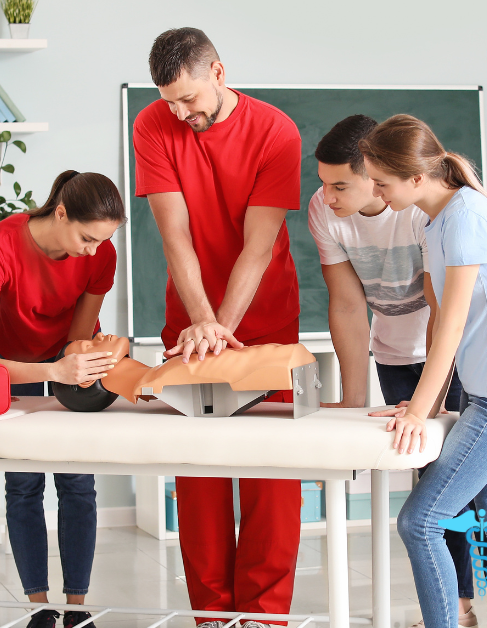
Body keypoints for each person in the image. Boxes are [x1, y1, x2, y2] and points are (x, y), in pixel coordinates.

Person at [133, 27, 303, 628]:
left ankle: (263, 619)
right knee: (201, 483)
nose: (180, 113)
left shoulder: (276, 131)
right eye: (169, 100)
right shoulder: (153, 124)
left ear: (219, 71)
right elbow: (174, 237)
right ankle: (212, 617)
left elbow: (258, 247)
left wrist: (223, 328)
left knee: (271, 483)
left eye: (189, 99)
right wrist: (203, 323)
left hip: (268, 322)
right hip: (191, 325)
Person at [362, 114, 487, 628]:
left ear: (416, 178)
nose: (374, 191)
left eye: (382, 181)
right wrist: (434, 402)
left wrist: (420, 411)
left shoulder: (465, 218)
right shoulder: (436, 219)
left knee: (421, 521)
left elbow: (452, 329)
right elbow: (440, 315)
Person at [310, 116, 487, 627]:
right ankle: (456, 608)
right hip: (393, 357)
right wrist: (352, 399)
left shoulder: (418, 211)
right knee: (433, 481)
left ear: (374, 173)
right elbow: (347, 308)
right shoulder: (325, 212)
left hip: (450, 357)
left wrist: (427, 407)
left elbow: (444, 314)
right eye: (322, 183)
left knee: (478, 487)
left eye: (340, 184)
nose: (327, 195)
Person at [0, 170, 126, 628]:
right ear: (61, 213)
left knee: (78, 484)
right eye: (87, 237)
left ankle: (77, 610)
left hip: (66, 362)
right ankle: (38, 609)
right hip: (12, 366)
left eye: (102, 241)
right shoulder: (0, 246)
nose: (94, 250)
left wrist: (82, 361)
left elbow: (78, 339)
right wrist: (52, 370)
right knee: (23, 486)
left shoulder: (101, 256)